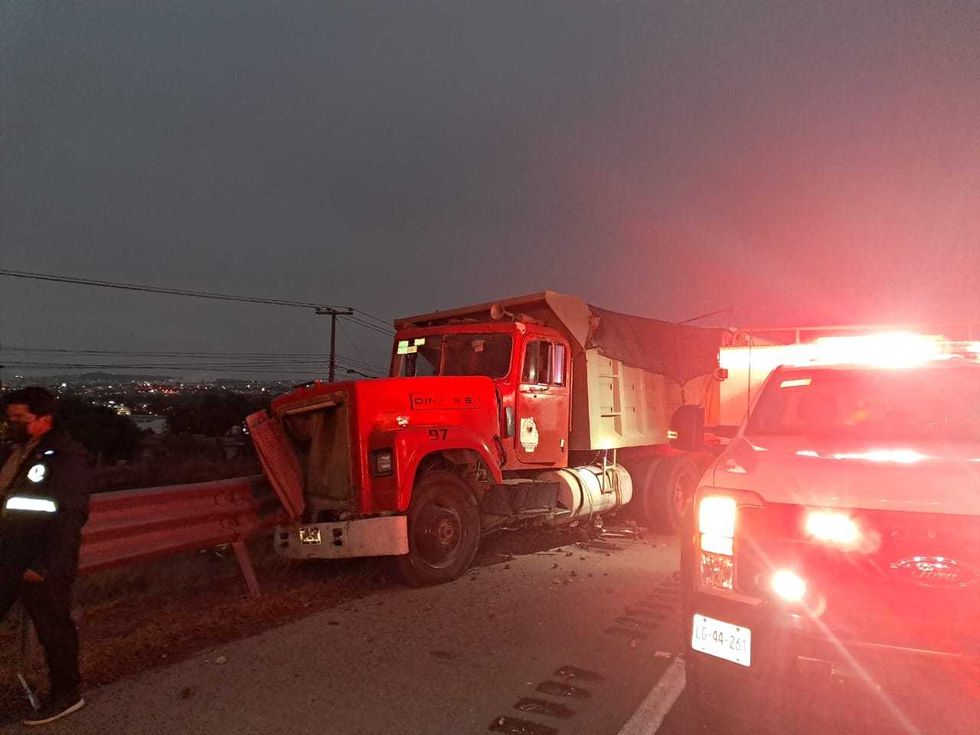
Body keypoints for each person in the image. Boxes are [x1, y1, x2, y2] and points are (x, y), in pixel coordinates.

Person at [0, 387, 92, 726]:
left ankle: (67, 694)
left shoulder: (66, 458)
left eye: (19, 419)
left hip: (40, 564)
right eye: (9, 418)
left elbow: (68, 517)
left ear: (44, 419)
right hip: (10, 557)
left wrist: (44, 565)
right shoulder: (22, 451)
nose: (11, 424)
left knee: (54, 629)